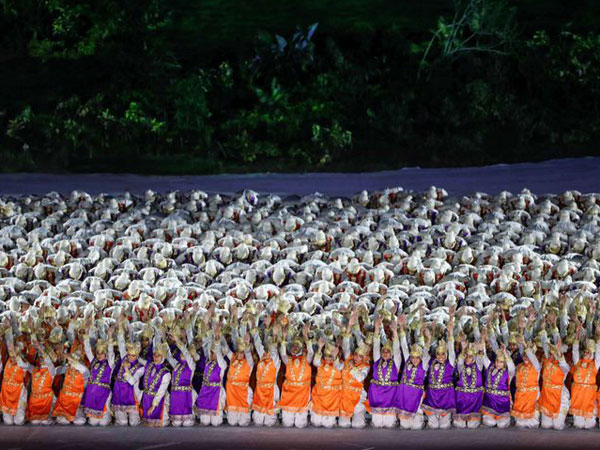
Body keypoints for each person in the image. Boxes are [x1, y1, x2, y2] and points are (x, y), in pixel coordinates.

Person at [396, 314, 430, 430]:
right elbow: (404, 346)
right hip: (405, 391)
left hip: (417, 393)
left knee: (417, 426)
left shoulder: (424, 365)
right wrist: (401, 328)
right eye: (413, 357)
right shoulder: (407, 361)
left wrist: (428, 339)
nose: (414, 360)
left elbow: (426, 353)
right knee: (405, 425)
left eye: (417, 358)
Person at [423, 311, 456, 429]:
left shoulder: (450, 363)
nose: (441, 356)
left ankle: (446, 416)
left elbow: (451, 350)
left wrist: (451, 332)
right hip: (432, 395)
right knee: (433, 425)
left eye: (443, 354)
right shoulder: (431, 362)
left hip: (446, 395)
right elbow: (424, 355)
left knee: (444, 426)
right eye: (438, 354)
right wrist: (428, 339)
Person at [278, 322, 314, 428]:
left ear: (301, 348)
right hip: (289, 393)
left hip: (302, 393)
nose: (295, 347)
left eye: (297, 346)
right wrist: (284, 338)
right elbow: (283, 353)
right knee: (287, 424)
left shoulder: (306, 359)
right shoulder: (287, 360)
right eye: (293, 346)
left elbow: (311, 353)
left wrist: (306, 338)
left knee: (300, 425)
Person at [368, 315, 401, 428]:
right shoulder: (377, 360)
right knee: (377, 424)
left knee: (389, 424)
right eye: (384, 351)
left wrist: (395, 331)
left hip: (390, 393)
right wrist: (376, 329)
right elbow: (376, 347)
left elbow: (397, 349)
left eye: (388, 351)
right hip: (377, 392)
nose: (385, 353)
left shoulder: (396, 362)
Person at [113, 329, 145, 426]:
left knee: (133, 423)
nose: (130, 357)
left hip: (132, 395)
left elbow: (131, 381)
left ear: (137, 355)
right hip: (119, 392)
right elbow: (121, 344)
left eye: (133, 356)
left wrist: (126, 370)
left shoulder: (141, 368)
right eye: (129, 355)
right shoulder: (124, 358)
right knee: (122, 423)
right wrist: (120, 330)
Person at [196, 331, 227, 426]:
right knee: (205, 422)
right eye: (211, 353)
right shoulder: (207, 363)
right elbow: (201, 353)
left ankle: (220, 417)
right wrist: (209, 335)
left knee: (215, 423)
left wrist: (217, 345)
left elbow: (218, 355)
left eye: (214, 353)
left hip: (216, 392)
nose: (213, 355)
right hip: (206, 391)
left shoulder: (222, 364)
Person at [83, 333, 114, 426]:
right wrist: (86, 335)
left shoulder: (109, 363)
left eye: (102, 353)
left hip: (104, 392)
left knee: (103, 423)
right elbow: (88, 350)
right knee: (93, 422)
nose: (100, 355)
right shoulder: (93, 362)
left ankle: (108, 416)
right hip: (92, 393)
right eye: (98, 353)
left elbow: (111, 353)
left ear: (105, 354)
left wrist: (110, 337)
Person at [250, 330, 280, 427]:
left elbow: (274, 352)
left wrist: (275, 335)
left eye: (270, 350)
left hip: (271, 390)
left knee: (269, 422)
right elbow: (258, 345)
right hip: (260, 391)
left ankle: (274, 417)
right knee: (257, 422)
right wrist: (254, 331)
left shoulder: (275, 361)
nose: (267, 353)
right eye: (267, 350)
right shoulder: (262, 357)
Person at [166, 332, 197, 427]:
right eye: (181, 354)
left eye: (184, 353)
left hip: (186, 394)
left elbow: (186, 353)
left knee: (188, 423)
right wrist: (163, 339)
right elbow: (168, 356)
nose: (182, 355)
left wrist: (178, 341)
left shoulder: (191, 365)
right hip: (176, 394)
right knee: (176, 423)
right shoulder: (177, 364)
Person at [310, 340, 343, 428]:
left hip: (332, 398)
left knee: (327, 425)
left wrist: (335, 357)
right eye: (326, 356)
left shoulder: (339, 365)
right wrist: (320, 348)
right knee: (316, 423)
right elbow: (315, 362)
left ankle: (332, 420)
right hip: (319, 397)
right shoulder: (320, 364)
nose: (328, 359)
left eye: (330, 356)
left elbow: (338, 367)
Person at [569, 335, 600, 429]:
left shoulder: (595, 364)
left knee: (589, 425)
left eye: (588, 352)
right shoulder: (577, 362)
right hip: (578, 393)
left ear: (592, 353)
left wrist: (598, 337)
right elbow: (575, 351)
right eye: (585, 351)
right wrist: (576, 338)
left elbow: (599, 354)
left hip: (589, 394)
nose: (586, 353)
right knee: (578, 424)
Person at [0, 329, 30, 426]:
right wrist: (7, 330)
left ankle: (25, 415)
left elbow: (24, 365)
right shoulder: (6, 362)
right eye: (11, 355)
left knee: (18, 422)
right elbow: (8, 346)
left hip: (19, 395)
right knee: (8, 422)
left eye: (14, 356)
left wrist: (17, 357)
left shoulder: (23, 364)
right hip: (7, 396)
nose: (12, 357)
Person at [539, 339, 570, 430]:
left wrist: (559, 352)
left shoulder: (563, 367)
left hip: (559, 395)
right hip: (547, 395)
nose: (551, 356)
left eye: (553, 354)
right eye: (550, 354)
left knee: (557, 426)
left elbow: (565, 365)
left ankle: (562, 420)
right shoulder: (547, 362)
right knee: (546, 425)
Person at [224, 335, 254, 426]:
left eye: (242, 352)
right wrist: (219, 335)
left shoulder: (248, 362)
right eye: (238, 352)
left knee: (243, 423)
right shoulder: (232, 358)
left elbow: (248, 355)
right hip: (232, 392)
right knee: (232, 422)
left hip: (243, 392)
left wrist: (247, 345)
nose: (240, 354)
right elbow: (225, 348)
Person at [482, 345, 514, 428]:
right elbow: (484, 358)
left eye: (501, 362)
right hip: (489, 403)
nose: (498, 363)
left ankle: (504, 417)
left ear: (505, 363)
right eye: (497, 361)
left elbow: (511, 366)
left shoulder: (508, 372)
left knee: (501, 425)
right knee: (490, 423)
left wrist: (505, 353)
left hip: (502, 404)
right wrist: (482, 344)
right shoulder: (490, 366)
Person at [139, 342, 171, 427]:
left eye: (158, 356)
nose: (156, 358)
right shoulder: (149, 365)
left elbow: (161, 391)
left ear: (163, 357)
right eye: (154, 355)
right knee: (148, 424)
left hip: (158, 400)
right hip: (147, 399)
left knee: (160, 424)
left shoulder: (166, 373)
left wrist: (153, 406)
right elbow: (138, 359)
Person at [52, 350, 88, 425]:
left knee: (80, 421)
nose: (70, 363)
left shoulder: (84, 372)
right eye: (69, 361)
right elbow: (54, 371)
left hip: (77, 403)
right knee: (63, 421)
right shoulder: (67, 369)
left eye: (72, 361)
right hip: (65, 403)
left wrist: (71, 360)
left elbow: (84, 370)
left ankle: (76, 415)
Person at [454, 342, 484, 428]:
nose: (467, 358)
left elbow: (480, 359)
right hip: (462, 399)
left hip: (475, 399)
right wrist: (463, 349)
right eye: (466, 356)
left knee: (472, 425)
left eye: (470, 357)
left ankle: (474, 418)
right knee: (459, 424)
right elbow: (459, 361)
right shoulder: (461, 367)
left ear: (473, 358)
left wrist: (481, 349)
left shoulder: (478, 366)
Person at [511, 341, 541, 428]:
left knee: (532, 422)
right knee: (520, 423)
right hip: (520, 395)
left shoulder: (536, 366)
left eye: (528, 356)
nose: (525, 357)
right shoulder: (519, 366)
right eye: (524, 355)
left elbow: (532, 357)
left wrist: (524, 344)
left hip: (532, 394)